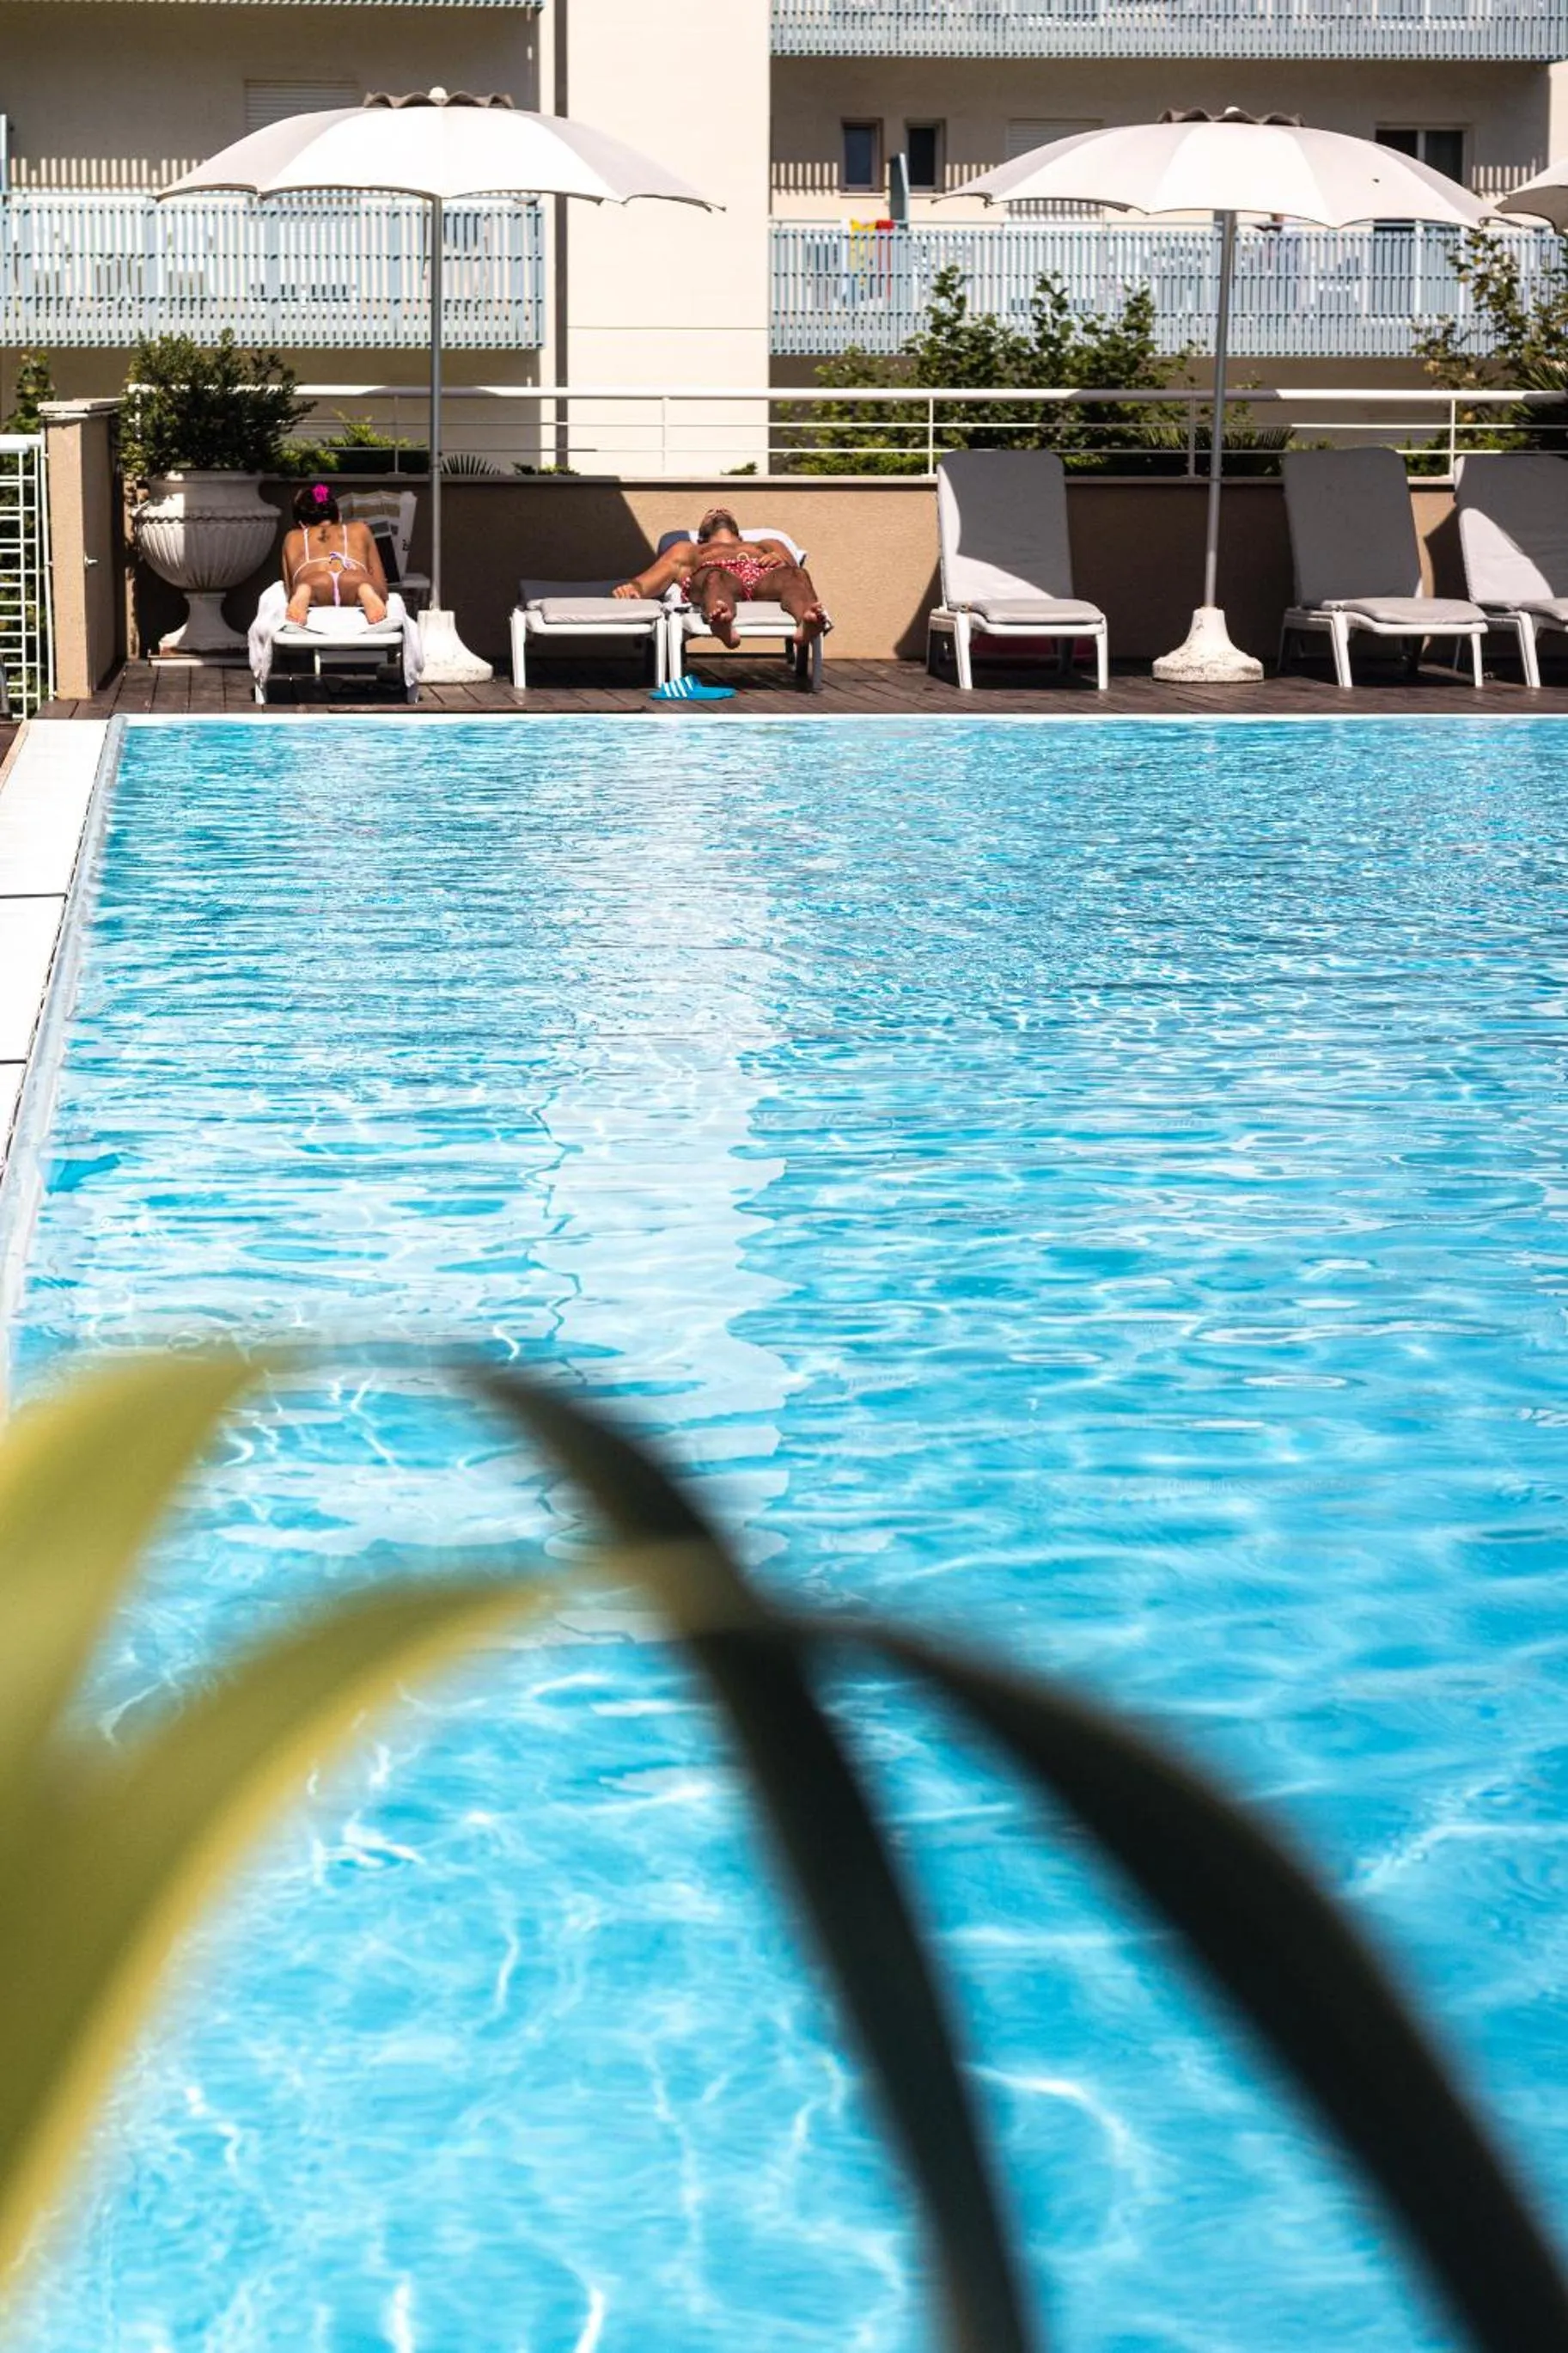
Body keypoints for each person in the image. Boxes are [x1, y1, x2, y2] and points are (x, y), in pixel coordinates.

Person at [613, 508, 827, 651]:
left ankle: (807, 625)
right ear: (700, 537)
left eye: (724, 511)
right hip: (715, 576)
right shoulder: (689, 549)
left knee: (798, 575)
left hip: (763, 577)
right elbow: (651, 579)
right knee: (714, 577)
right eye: (711, 513)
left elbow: (792, 568)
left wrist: (779, 560)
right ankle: (722, 623)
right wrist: (634, 588)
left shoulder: (766, 544)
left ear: (741, 536)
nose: (719, 511)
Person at [281, 484, 389, 626]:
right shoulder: (360, 529)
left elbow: (289, 589)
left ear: (302, 524)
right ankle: (363, 590)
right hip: (353, 577)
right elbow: (381, 583)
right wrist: (378, 591)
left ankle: (306, 591)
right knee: (365, 584)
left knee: (304, 585)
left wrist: (299, 589)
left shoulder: (292, 537)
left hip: (314, 580)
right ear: (338, 515)